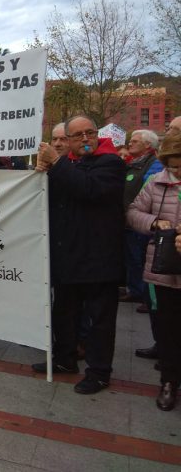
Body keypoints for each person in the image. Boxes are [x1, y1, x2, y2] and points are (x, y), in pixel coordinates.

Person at [32, 115, 125, 395]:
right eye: (78, 135)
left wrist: (57, 164)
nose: (85, 139)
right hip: (68, 257)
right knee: (64, 314)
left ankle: (98, 372)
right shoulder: (67, 166)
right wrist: (41, 174)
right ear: (69, 141)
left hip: (99, 260)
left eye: (90, 133)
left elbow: (89, 189)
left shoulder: (111, 163)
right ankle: (64, 359)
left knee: (99, 321)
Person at [127, 131, 181, 411]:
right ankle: (169, 382)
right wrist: (154, 222)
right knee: (167, 329)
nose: (176, 171)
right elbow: (133, 212)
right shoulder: (155, 183)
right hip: (162, 269)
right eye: (173, 164)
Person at [121, 130, 163, 308]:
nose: (130, 143)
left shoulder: (154, 165)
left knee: (144, 259)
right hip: (130, 222)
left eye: (135, 141)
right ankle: (135, 290)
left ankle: (147, 296)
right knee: (133, 258)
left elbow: (149, 191)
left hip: (144, 223)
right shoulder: (134, 164)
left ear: (148, 145)